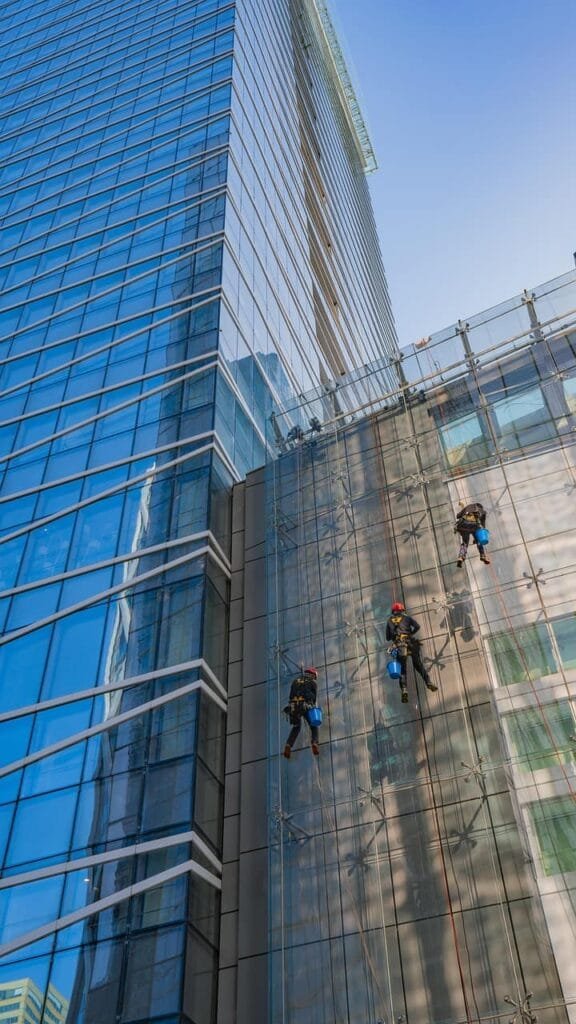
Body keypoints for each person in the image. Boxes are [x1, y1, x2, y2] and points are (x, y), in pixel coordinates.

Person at [385, 602, 437, 703]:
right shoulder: (407, 618)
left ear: (393, 611)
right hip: (411, 643)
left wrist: (395, 636)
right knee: (418, 665)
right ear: (402, 610)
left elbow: (387, 638)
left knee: (402, 669)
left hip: (399, 646)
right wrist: (409, 633)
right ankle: (428, 682)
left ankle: (404, 689)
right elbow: (417, 626)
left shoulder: (389, 621)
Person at [283, 667, 320, 758]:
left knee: (296, 727)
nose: (314, 678)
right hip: (305, 705)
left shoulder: (295, 681)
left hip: (293, 706)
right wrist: (312, 707)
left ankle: (288, 745)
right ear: (312, 675)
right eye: (314, 677)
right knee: (313, 726)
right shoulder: (312, 682)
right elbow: (314, 698)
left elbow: (291, 695)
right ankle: (314, 743)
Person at [454, 500, 490, 568]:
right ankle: (482, 556)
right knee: (479, 541)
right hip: (474, 527)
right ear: (480, 507)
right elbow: (483, 526)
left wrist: (464, 511)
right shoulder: (483, 512)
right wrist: (477, 538)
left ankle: (461, 557)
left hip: (462, 526)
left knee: (465, 543)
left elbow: (458, 516)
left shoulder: (468, 507)